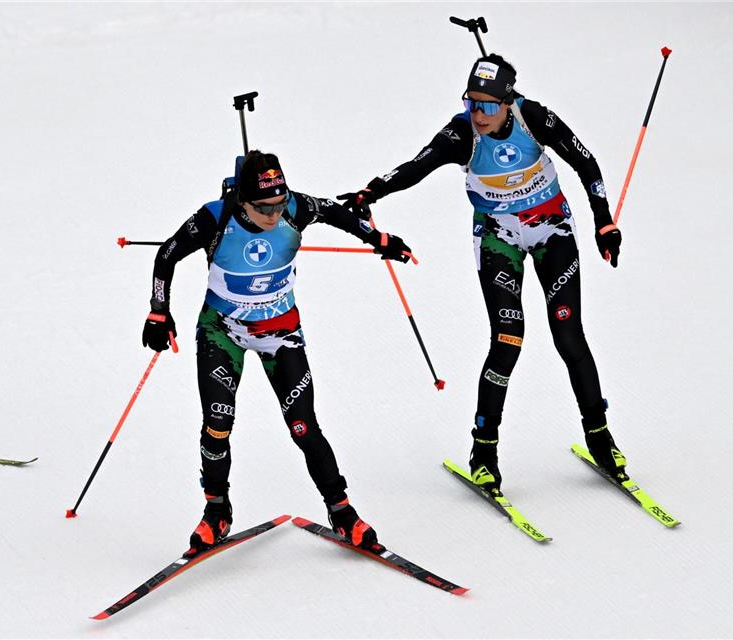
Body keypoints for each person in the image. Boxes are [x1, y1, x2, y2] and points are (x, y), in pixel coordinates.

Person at [338, 54, 628, 490]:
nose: (478, 114)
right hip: (498, 238)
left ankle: (599, 435)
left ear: (509, 102)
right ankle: (484, 449)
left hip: (552, 229)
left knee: (569, 333)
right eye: (472, 103)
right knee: (508, 339)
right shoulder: (462, 133)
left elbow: (586, 163)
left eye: (488, 106)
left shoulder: (535, 119)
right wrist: (371, 192)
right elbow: (418, 166)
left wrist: (602, 221)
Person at [143, 150, 411, 555]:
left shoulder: (295, 207)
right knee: (218, 423)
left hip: (281, 334)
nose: (273, 214)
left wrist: (379, 239)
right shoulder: (214, 217)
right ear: (242, 201)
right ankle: (216, 512)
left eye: (279, 203)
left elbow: (338, 213)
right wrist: (158, 312)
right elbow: (166, 256)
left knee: (304, 426)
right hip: (223, 333)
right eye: (263, 207)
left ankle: (342, 512)